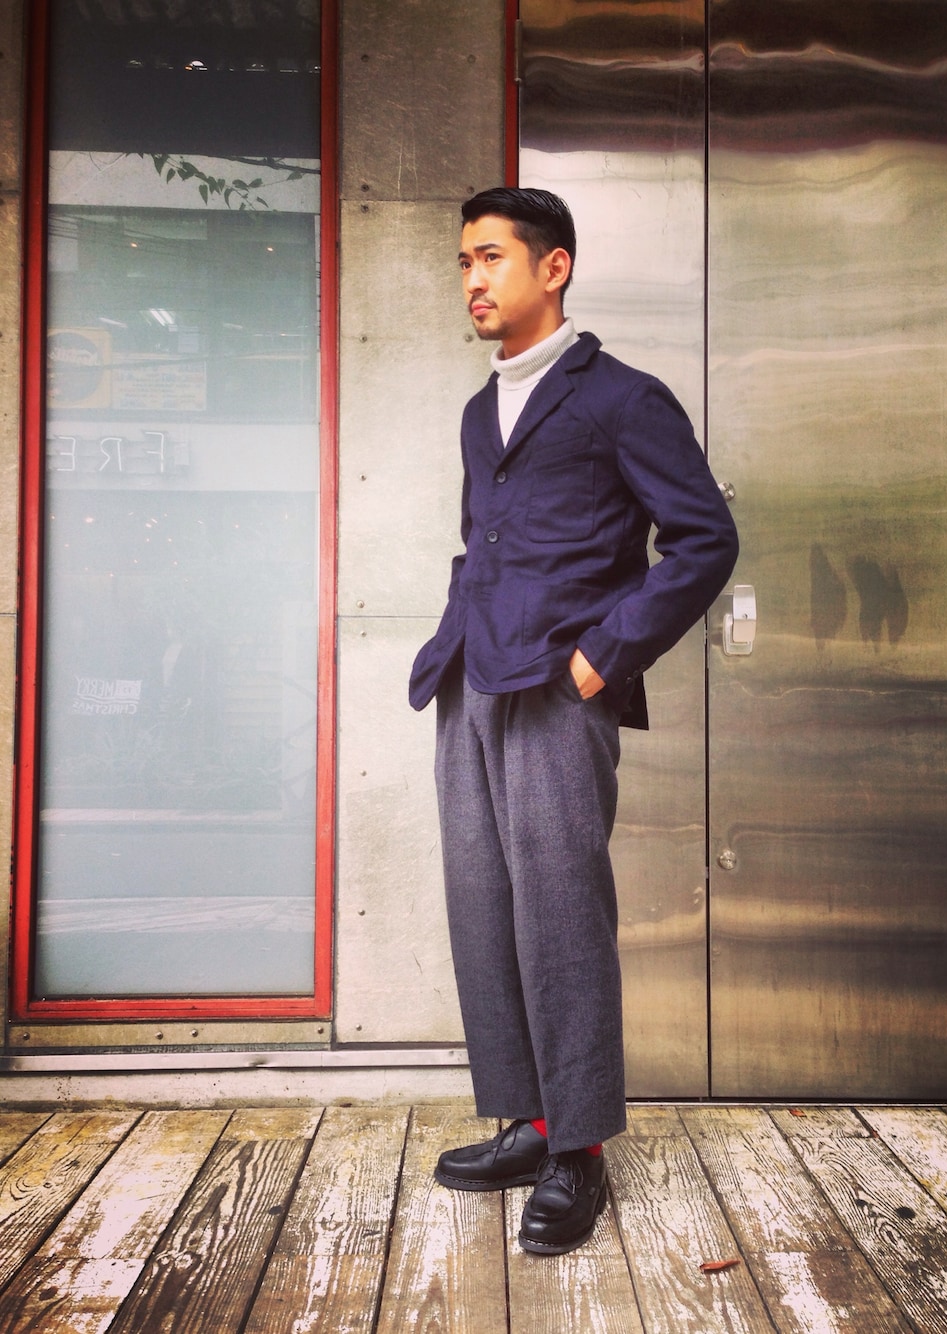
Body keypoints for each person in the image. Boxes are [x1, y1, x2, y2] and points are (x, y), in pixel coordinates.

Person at [409, 187, 739, 1255]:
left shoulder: (622, 399)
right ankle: (531, 1121)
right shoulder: (481, 411)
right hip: (472, 680)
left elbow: (704, 538)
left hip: (557, 689)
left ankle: (579, 1147)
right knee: (484, 903)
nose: (472, 279)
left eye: (491, 258)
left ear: (553, 267)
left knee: (559, 911)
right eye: (464, 260)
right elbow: (487, 537)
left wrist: (605, 655)